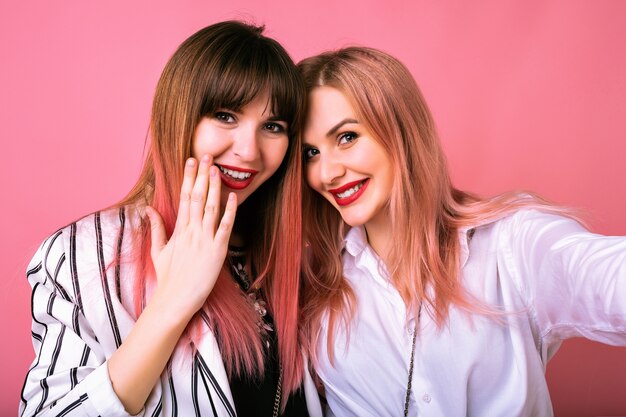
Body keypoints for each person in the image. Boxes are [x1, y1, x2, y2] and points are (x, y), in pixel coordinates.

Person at [298, 47, 626, 417]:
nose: (325, 173)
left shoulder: (510, 246)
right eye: (310, 152)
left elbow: (605, 276)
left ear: (401, 132)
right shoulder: (313, 287)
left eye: (346, 138)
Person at [20, 21, 322, 417]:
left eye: (272, 126)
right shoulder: (87, 253)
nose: (249, 151)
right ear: (178, 116)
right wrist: (173, 303)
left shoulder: (287, 258)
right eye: (226, 116)